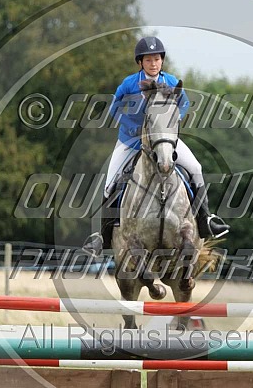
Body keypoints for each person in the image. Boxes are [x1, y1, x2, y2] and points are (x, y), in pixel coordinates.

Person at [83, 36, 229, 256]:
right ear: (140, 62)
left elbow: (185, 103)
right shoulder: (129, 84)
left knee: (196, 169)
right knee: (109, 183)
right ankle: (102, 237)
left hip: (164, 139)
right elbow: (114, 109)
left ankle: (206, 220)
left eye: (157, 59)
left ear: (162, 61)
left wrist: (172, 121)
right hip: (131, 141)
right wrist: (132, 127)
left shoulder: (171, 81)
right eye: (149, 59)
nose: (154, 63)